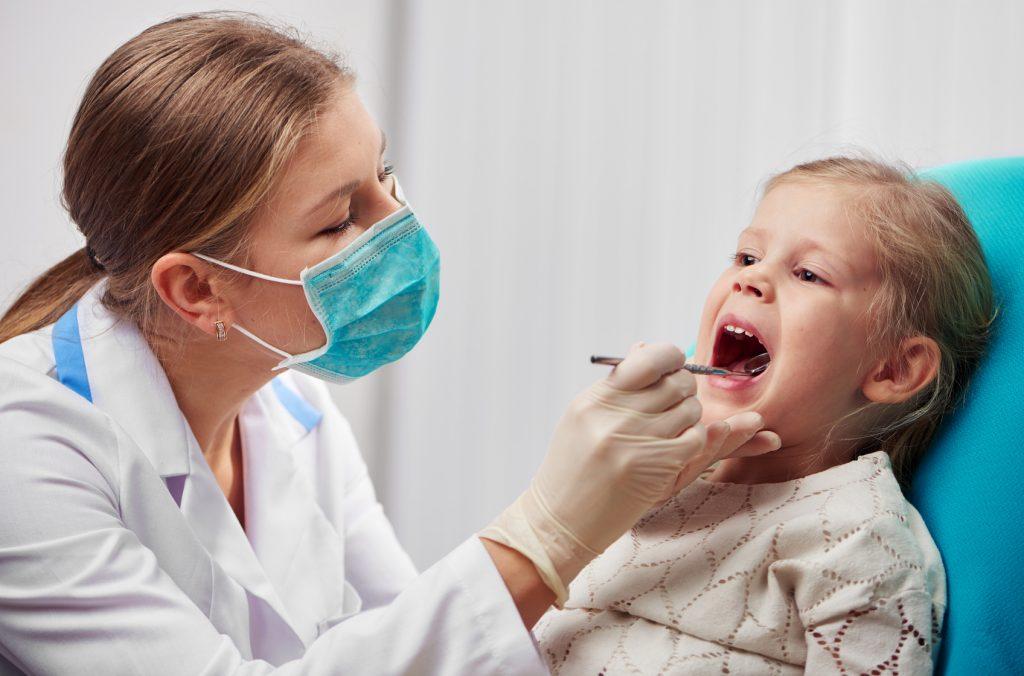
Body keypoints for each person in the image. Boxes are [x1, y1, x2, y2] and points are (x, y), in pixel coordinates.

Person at [0, 14, 777, 674]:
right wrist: (547, 531)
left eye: (386, 176)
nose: (400, 227)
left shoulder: (291, 405)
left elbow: (404, 640)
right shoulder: (24, 450)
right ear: (198, 289)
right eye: (340, 220)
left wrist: (615, 524)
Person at [534, 157, 996, 674]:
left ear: (892, 369)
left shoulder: (856, 541)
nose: (750, 279)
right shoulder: (646, 482)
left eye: (809, 273)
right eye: (746, 255)